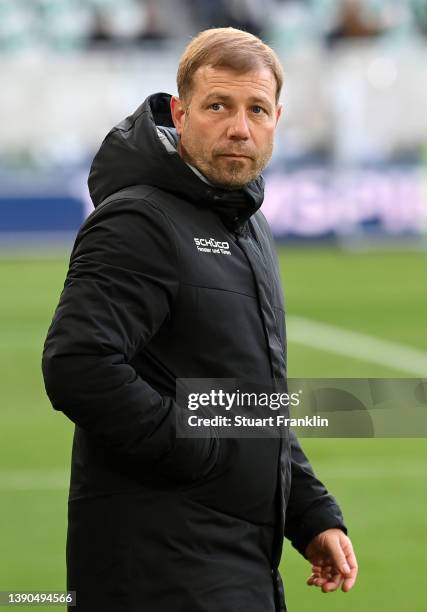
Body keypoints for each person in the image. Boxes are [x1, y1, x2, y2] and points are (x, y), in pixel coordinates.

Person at [42, 27, 358, 612]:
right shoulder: (138, 220)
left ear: (277, 118)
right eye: (219, 106)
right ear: (181, 114)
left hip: (235, 558)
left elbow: (247, 398)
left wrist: (311, 514)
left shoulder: (244, 223)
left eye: (256, 109)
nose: (240, 127)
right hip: (159, 567)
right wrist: (201, 452)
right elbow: (78, 365)